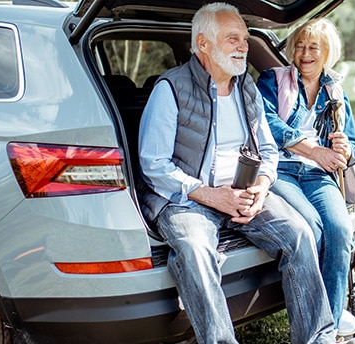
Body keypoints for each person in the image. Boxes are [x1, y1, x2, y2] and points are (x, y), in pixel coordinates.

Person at [137, 4, 339, 344]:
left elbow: (268, 150)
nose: (243, 46)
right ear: (203, 43)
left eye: (245, 39)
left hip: (245, 193)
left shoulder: (247, 89)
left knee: (300, 234)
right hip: (188, 199)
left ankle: (317, 338)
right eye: (233, 39)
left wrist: (262, 186)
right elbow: (154, 166)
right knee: (195, 250)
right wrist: (211, 195)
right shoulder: (169, 89)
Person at [256, 18, 355, 340]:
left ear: (327, 52)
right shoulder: (272, 79)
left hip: (318, 175)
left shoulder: (335, 91)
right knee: (313, 229)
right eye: (300, 47)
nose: (305, 54)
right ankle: (314, 320)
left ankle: (327, 327)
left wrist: (345, 152)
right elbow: (266, 122)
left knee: (340, 230)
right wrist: (312, 149)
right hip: (283, 170)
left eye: (313, 47)